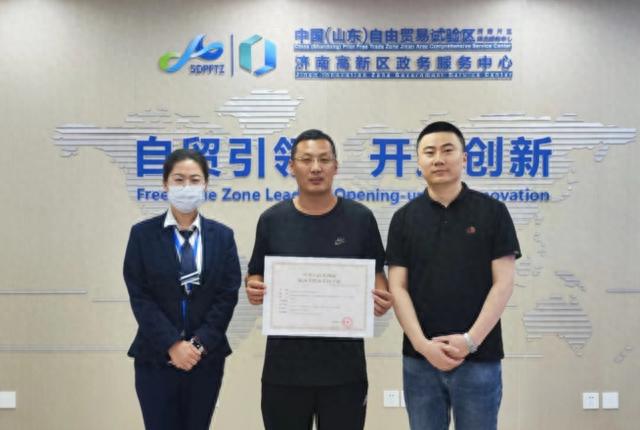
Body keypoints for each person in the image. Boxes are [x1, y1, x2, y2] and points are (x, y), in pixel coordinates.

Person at [245, 129, 393, 430]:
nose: (316, 168)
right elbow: (256, 272)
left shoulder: (360, 219)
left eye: (324, 160)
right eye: (306, 160)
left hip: (344, 371)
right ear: (291, 166)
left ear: (336, 167)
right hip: (284, 370)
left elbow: (378, 277)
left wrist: (381, 299)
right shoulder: (272, 220)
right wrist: (254, 287)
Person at [386, 121, 521, 430]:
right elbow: (397, 287)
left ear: (464, 158)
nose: (438, 159)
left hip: (479, 358)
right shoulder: (403, 219)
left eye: (448, 150)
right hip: (420, 361)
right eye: (429, 152)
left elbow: (503, 283)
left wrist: (469, 341)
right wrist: (422, 345)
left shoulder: (493, 212)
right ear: (418, 161)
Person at [123, 148, 241, 430]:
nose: (187, 187)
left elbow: (227, 296)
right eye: (179, 179)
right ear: (165, 184)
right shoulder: (142, 235)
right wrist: (173, 345)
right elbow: (140, 296)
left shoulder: (223, 236)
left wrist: (197, 346)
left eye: (194, 180)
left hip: (205, 360)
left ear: (206, 185)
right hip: (155, 358)